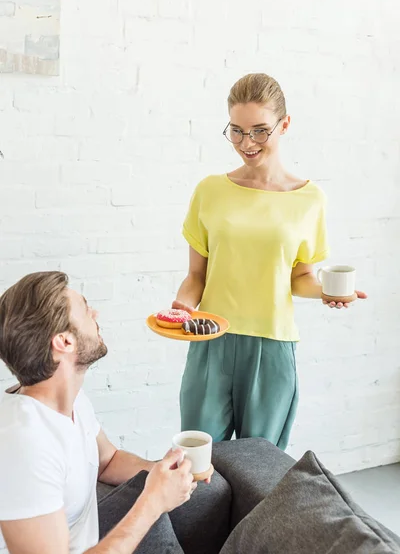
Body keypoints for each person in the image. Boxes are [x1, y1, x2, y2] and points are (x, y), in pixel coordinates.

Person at [173, 73, 367, 450]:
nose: (247, 143)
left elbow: (300, 278)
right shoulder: (210, 191)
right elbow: (197, 275)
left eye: (260, 130)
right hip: (211, 340)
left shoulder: (309, 199)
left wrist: (328, 291)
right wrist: (182, 306)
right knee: (196, 466)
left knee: (259, 471)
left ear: (285, 125)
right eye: (237, 131)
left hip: (272, 347)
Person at [0, 271, 226, 554]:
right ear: (64, 342)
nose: (95, 312)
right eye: (85, 308)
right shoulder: (22, 445)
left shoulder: (70, 399)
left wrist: (163, 474)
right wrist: (153, 501)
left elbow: (108, 461)